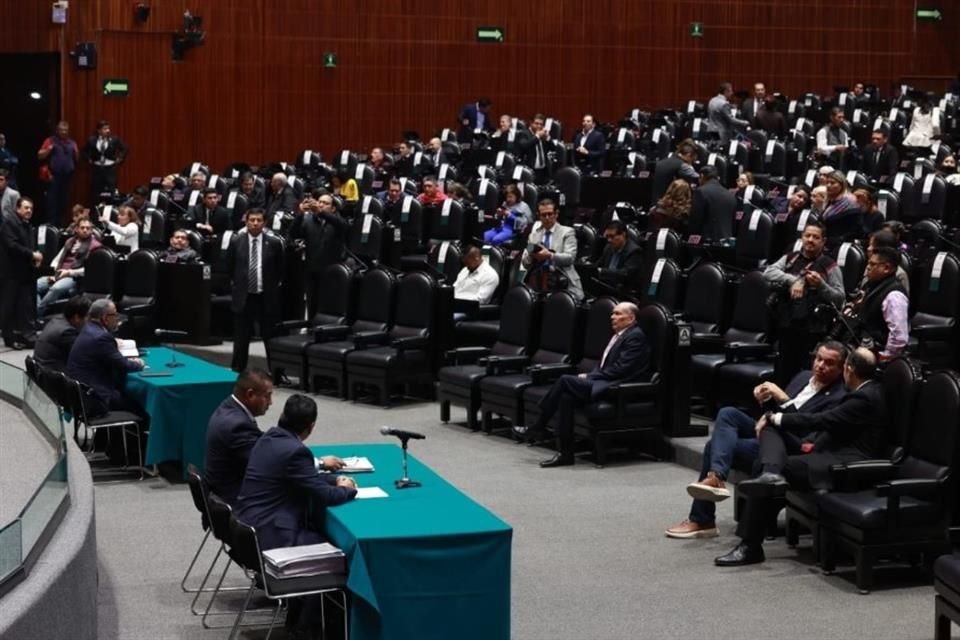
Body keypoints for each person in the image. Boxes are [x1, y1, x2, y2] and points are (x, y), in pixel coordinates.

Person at [715, 348, 887, 566]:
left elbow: (820, 420)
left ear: (848, 369)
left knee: (768, 447)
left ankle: (750, 544)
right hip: (828, 453)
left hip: (845, 466)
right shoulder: (869, 392)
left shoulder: (863, 398)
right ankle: (770, 475)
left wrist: (776, 418)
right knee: (770, 441)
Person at [665, 341, 847, 539]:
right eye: (819, 359)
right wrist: (766, 400)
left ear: (841, 368)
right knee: (727, 413)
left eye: (829, 363)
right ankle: (716, 477)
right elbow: (773, 414)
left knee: (713, 446)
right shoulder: (803, 377)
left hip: (787, 447)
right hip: (770, 431)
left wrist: (784, 400)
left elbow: (805, 433)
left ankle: (703, 518)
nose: (820, 365)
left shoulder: (839, 396)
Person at [236, 394, 355, 638]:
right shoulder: (295, 451)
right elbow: (325, 496)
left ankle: (302, 619)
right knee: (339, 557)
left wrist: (334, 479)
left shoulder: (269, 437)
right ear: (310, 427)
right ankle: (307, 629)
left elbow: (304, 478)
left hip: (250, 528)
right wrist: (346, 489)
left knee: (320, 536)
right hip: (272, 535)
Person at [521, 302, 651, 467]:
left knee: (565, 380)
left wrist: (590, 376)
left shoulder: (635, 337)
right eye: (612, 313)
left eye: (618, 314)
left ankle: (539, 424)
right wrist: (592, 376)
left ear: (631, 318)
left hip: (616, 387)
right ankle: (565, 455)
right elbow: (605, 364)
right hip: (603, 381)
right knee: (566, 398)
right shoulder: (620, 335)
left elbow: (621, 370)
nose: (612, 317)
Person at [764, 220, 846, 382]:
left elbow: (839, 297)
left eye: (816, 237)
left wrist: (821, 285)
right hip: (786, 324)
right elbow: (768, 272)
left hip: (812, 330)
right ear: (801, 237)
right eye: (807, 235)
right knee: (782, 371)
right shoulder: (791, 258)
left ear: (823, 241)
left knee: (803, 375)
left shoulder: (829, 265)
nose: (810, 240)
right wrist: (793, 281)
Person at [204, 368, 276, 506]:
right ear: (250, 394)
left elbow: (259, 441)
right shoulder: (237, 425)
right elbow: (267, 465)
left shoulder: (228, 407)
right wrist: (317, 465)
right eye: (267, 396)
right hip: (236, 500)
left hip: (225, 490)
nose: (270, 402)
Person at [65, 298, 146, 417]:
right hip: (94, 398)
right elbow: (123, 365)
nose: (117, 318)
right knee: (142, 407)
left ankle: (111, 435)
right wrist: (139, 363)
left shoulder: (88, 329)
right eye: (115, 314)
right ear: (105, 318)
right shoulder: (101, 337)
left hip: (80, 395)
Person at [227, 209, 284, 372]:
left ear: (264, 223)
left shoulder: (273, 243)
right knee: (241, 338)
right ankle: (237, 370)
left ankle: (276, 372)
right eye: (252, 220)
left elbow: (280, 269)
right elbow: (230, 268)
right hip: (244, 296)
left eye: (259, 220)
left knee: (270, 336)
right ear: (246, 222)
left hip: (265, 296)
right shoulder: (237, 241)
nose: (255, 223)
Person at [838, 246, 909, 362]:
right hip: (860, 345)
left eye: (872, 264)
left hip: (876, 355)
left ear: (886, 268)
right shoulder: (872, 285)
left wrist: (885, 357)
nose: (867, 268)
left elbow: (899, 337)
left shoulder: (894, 296)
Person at [290, 193, 349, 319]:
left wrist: (321, 213)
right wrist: (300, 214)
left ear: (333, 208)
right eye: (320, 201)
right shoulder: (308, 220)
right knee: (312, 305)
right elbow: (294, 234)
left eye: (326, 203)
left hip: (332, 272)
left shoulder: (337, 221)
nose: (321, 204)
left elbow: (343, 226)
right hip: (313, 269)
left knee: (329, 305)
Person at [36, 218, 101, 316]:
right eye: (82, 228)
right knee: (34, 285)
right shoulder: (70, 241)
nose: (85, 230)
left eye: (88, 228)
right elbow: (57, 259)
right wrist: (53, 272)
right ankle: (37, 310)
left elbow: (90, 270)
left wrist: (69, 272)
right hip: (58, 273)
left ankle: (37, 314)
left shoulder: (95, 246)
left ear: (91, 230)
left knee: (56, 288)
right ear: (77, 229)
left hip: (74, 277)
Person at [0, 197, 42, 349]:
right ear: (17, 209)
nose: (29, 210)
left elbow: (28, 246)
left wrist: (35, 256)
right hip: (10, 272)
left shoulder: (27, 225)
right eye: (25, 208)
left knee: (24, 304)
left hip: (24, 272)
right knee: (8, 305)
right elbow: (12, 246)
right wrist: (31, 255)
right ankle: (9, 338)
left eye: (31, 208)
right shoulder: (9, 223)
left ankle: (26, 335)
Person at [522, 198, 583, 301]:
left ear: (556, 214)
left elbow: (570, 258)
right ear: (539, 216)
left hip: (563, 279)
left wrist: (550, 256)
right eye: (543, 215)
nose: (547, 217)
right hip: (540, 280)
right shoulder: (533, 236)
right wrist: (532, 258)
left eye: (550, 214)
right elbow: (525, 262)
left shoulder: (567, 232)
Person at [33, 295, 91, 372]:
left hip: (41, 369)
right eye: (88, 316)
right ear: (76, 317)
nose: (90, 320)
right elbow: (85, 356)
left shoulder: (57, 319)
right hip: (51, 376)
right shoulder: (67, 333)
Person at [37, 120, 79, 226]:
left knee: (63, 201)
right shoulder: (50, 140)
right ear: (57, 130)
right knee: (52, 201)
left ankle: (61, 225)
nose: (64, 132)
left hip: (67, 176)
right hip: (53, 176)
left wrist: (76, 153)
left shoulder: (71, 142)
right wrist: (48, 150)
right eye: (62, 130)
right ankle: (51, 224)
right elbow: (39, 155)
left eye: (66, 130)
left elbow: (76, 159)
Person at [81, 120, 128, 204]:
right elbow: (83, 151)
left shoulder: (114, 139)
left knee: (111, 189)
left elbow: (124, 148)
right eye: (105, 129)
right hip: (97, 168)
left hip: (110, 168)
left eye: (108, 128)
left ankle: (111, 210)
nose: (108, 130)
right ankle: (97, 211)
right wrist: (88, 159)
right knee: (96, 190)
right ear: (99, 130)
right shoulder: (92, 140)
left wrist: (120, 158)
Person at [689, 165, 737, 243]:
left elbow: (695, 219)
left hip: (706, 242)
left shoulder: (701, 191)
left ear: (701, 176)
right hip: (726, 242)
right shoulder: (730, 194)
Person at [595, 220, 643, 286]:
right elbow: (598, 265)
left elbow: (625, 274)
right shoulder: (608, 248)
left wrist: (601, 271)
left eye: (612, 236)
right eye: (607, 237)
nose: (609, 240)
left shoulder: (635, 251)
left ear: (623, 234)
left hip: (622, 290)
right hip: (605, 286)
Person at [820, 171, 863, 245]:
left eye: (832, 183)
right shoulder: (829, 201)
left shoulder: (850, 202)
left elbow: (856, 230)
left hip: (841, 244)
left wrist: (839, 240)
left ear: (841, 185)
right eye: (827, 182)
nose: (828, 185)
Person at [519, 113, 552, 183]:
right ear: (531, 123)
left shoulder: (543, 135)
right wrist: (537, 137)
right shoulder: (524, 133)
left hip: (543, 171)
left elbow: (553, 148)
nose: (539, 126)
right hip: (530, 171)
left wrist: (548, 138)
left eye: (541, 124)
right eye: (536, 123)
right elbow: (524, 145)